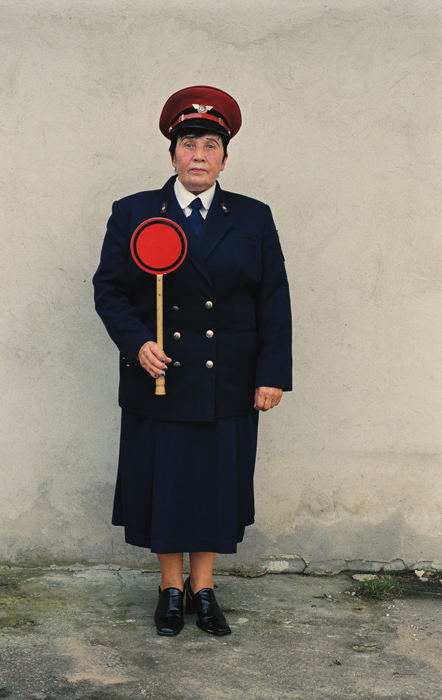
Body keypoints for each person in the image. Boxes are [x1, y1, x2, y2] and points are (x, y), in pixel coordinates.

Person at [93, 85, 292, 637]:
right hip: (159, 377)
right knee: (164, 485)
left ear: (225, 156)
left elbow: (273, 297)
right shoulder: (134, 212)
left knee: (213, 487)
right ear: (172, 153)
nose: (198, 154)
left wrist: (272, 374)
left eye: (209, 143)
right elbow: (109, 289)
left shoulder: (253, 217)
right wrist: (136, 341)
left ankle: (204, 588)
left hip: (226, 379)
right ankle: (169, 588)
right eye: (188, 143)